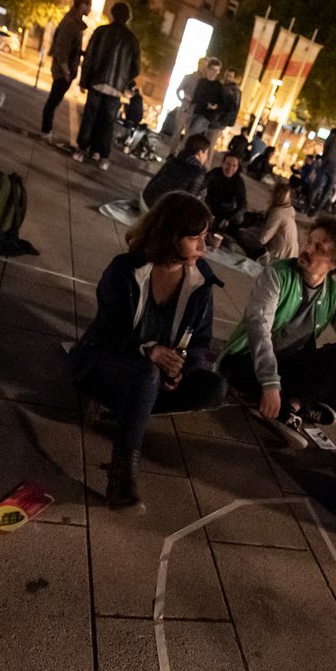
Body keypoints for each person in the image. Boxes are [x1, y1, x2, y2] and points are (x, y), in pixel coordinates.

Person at [70, 192, 228, 513]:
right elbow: (105, 333)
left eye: (204, 237)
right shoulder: (126, 270)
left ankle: (128, 410)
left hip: (150, 379)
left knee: (215, 387)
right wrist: (148, 350)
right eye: (194, 238)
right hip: (108, 364)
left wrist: (183, 368)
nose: (203, 247)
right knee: (146, 372)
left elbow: (200, 343)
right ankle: (122, 478)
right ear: (170, 236)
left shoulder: (199, 282)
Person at [219, 216, 336, 449]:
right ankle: (295, 405)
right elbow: (259, 328)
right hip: (248, 360)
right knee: (237, 375)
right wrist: (270, 382)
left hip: (291, 363)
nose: (307, 249)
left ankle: (291, 405)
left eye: (318, 247)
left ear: (335, 263)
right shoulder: (277, 274)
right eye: (309, 241)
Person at [72, 2, 140, 171]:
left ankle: (82, 149)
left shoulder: (102, 32)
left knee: (90, 117)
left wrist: (84, 81)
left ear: (112, 14)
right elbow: (136, 68)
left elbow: (89, 58)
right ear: (127, 18)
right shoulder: (132, 40)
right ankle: (102, 155)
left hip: (98, 82)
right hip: (116, 87)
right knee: (107, 122)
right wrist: (124, 80)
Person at [40, 0, 92, 141]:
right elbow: (61, 48)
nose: (90, 9)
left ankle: (47, 130)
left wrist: (80, 53)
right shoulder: (71, 23)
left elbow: (69, 48)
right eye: (89, 5)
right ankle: (46, 131)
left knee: (54, 101)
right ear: (82, 5)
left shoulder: (74, 21)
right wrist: (67, 72)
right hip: (63, 71)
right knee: (53, 102)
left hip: (65, 70)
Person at [142, 134, 209, 208]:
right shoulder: (198, 172)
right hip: (162, 211)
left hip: (146, 201)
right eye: (206, 153)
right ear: (200, 153)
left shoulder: (172, 161)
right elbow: (190, 199)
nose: (206, 157)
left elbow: (154, 180)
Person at [236, 182, 298, 262]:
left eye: (271, 192)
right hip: (290, 255)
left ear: (276, 196)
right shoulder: (289, 209)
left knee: (240, 234)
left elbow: (263, 240)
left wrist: (247, 233)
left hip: (277, 256)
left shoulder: (278, 213)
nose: (268, 193)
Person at [169, 57, 208, 152]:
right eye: (202, 65)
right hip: (185, 107)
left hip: (195, 110)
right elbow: (178, 90)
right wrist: (182, 99)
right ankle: (172, 152)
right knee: (177, 131)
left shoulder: (206, 82)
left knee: (189, 135)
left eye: (205, 66)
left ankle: (181, 152)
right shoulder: (189, 77)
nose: (203, 67)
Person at [203, 152, 248, 230]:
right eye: (228, 164)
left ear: (238, 167)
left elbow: (243, 204)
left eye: (234, 166)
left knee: (239, 218)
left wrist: (228, 219)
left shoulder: (239, 181)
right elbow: (202, 184)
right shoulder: (215, 172)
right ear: (222, 163)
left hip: (226, 211)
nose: (230, 168)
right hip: (210, 206)